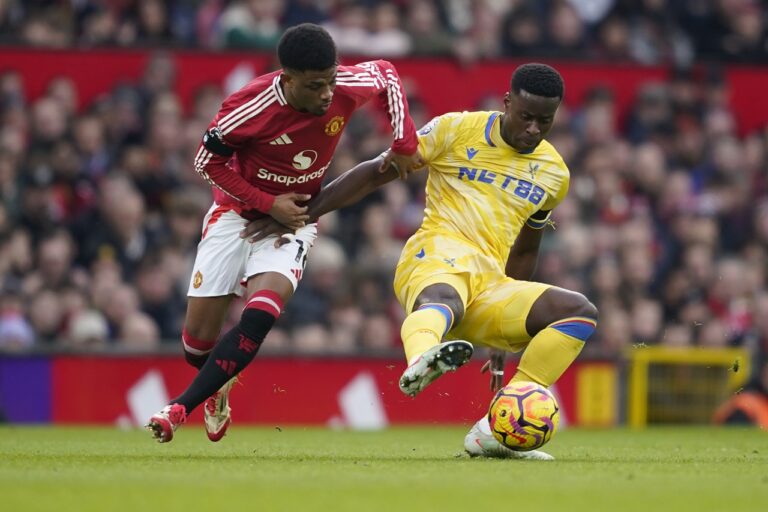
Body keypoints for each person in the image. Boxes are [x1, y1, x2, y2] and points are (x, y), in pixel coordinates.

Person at [245, 63, 597, 461]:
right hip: (435, 258)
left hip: (490, 285)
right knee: (446, 299)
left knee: (579, 312)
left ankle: (497, 428)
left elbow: (526, 250)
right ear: (507, 103)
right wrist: (306, 213)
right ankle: (422, 359)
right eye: (526, 117)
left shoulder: (553, 174)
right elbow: (378, 171)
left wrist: (502, 341)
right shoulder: (456, 129)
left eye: (544, 121)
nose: (533, 129)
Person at [145, 23, 422, 443]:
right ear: (288, 79)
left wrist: (403, 140)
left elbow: (386, 73)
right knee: (196, 347)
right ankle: (217, 385)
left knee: (260, 314)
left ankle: (178, 408)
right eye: (315, 86)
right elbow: (205, 162)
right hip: (236, 216)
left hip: (294, 221)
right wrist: (267, 202)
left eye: (330, 81)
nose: (327, 94)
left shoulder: (345, 85)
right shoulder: (250, 106)